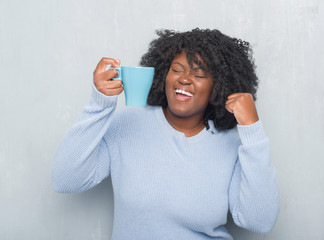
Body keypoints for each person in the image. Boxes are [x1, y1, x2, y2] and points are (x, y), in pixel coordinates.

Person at [52, 28, 280, 240]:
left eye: (199, 75)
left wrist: (252, 130)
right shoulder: (129, 123)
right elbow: (66, 180)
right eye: (177, 70)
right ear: (163, 75)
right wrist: (100, 105)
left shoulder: (231, 144)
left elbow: (259, 221)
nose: (184, 79)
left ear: (219, 86)